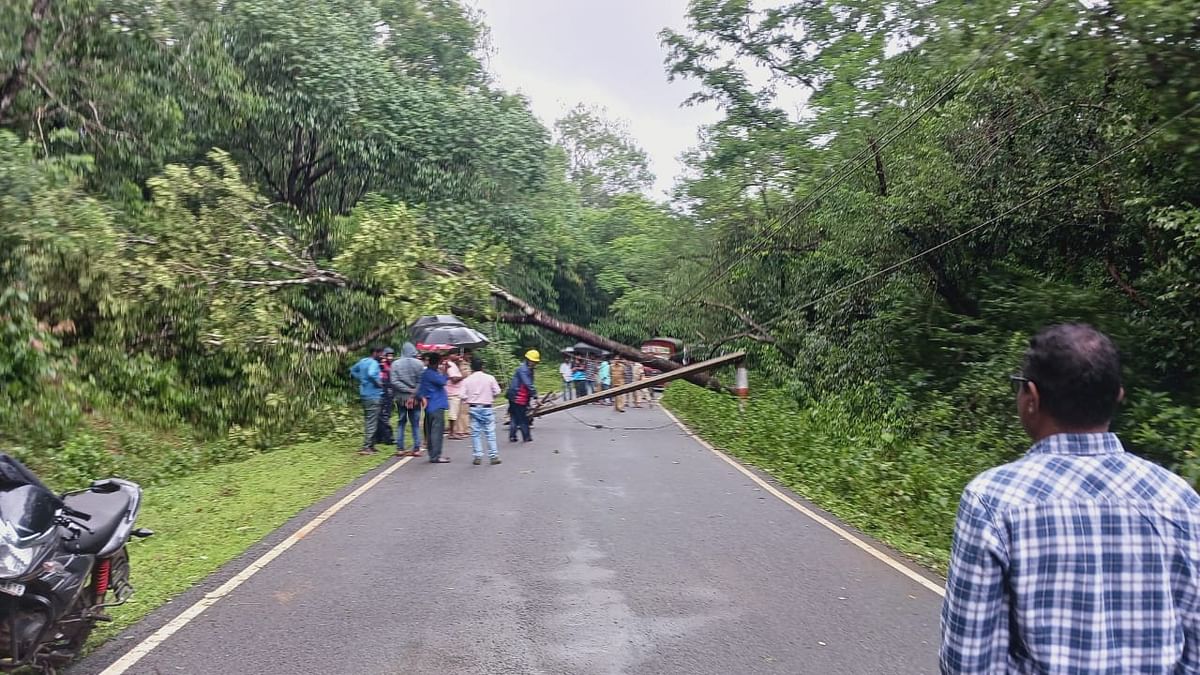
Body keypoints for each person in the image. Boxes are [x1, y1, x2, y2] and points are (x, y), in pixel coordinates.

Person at [939, 324, 1200, 674]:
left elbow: (968, 662)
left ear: (1031, 398)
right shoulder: (1179, 499)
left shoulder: (993, 501)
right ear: (1117, 396)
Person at [461, 356, 502, 465]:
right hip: (487, 407)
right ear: (482, 367)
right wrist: (491, 396)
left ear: (471, 367)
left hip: (474, 408)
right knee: (490, 432)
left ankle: (478, 456)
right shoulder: (490, 378)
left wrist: (468, 399)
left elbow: (462, 395)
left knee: (475, 432)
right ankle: (493, 455)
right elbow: (497, 391)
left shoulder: (467, 380)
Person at [389, 342, 424, 457]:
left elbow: (394, 381)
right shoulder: (419, 364)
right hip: (415, 399)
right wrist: (413, 392)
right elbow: (421, 381)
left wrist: (406, 389)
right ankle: (417, 449)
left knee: (401, 422)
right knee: (415, 423)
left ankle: (400, 449)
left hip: (401, 398)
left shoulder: (395, 364)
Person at [348, 346, 385, 455]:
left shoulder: (363, 361)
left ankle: (371, 445)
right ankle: (367, 447)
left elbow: (352, 370)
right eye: (380, 353)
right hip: (373, 395)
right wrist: (378, 384)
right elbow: (371, 374)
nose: (382, 356)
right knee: (372, 421)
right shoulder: (374, 363)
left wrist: (362, 379)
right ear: (375, 352)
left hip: (365, 394)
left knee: (370, 420)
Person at [417, 352, 451, 463]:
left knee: (430, 431)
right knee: (437, 431)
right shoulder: (431, 373)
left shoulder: (425, 373)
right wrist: (446, 370)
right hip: (436, 405)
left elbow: (420, 391)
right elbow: (442, 381)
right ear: (436, 363)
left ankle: (432, 454)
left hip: (429, 406)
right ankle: (436, 456)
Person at [507, 349, 539, 442]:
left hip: (518, 396)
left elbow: (530, 384)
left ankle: (512, 436)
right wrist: (535, 396)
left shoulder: (529, 369)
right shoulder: (523, 370)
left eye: (535, 362)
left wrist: (533, 395)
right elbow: (528, 384)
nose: (534, 363)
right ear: (528, 359)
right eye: (533, 361)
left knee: (515, 417)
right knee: (522, 418)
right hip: (518, 397)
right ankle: (526, 437)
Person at [374, 347, 396, 446]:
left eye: (392, 355)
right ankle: (387, 437)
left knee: (384, 415)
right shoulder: (381, 365)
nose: (390, 357)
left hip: (389, 393)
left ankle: (381, 437)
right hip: (383, 393)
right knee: (382, 416)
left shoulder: (391, 365)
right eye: (389, 355)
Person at [444, 353, 466, 440]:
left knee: (455, 413)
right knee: (453, 414)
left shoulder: (454, 364)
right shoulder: (449, 365)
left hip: (456, 392)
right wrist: (462, 376)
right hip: (452, 392)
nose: (458, 356)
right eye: (455, 354)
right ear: (450, 355)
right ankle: (451, 433)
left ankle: (453, 431)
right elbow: (453, 379)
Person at [451, 353, 473, 439]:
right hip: (462, 389)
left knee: (466, 411)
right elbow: (463, 375)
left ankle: (465, 428)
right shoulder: (461, 364)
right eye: (468, 354)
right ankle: (461, 430)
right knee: (462, 412)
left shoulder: (467, 363)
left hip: (467, 389)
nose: (470, 356)